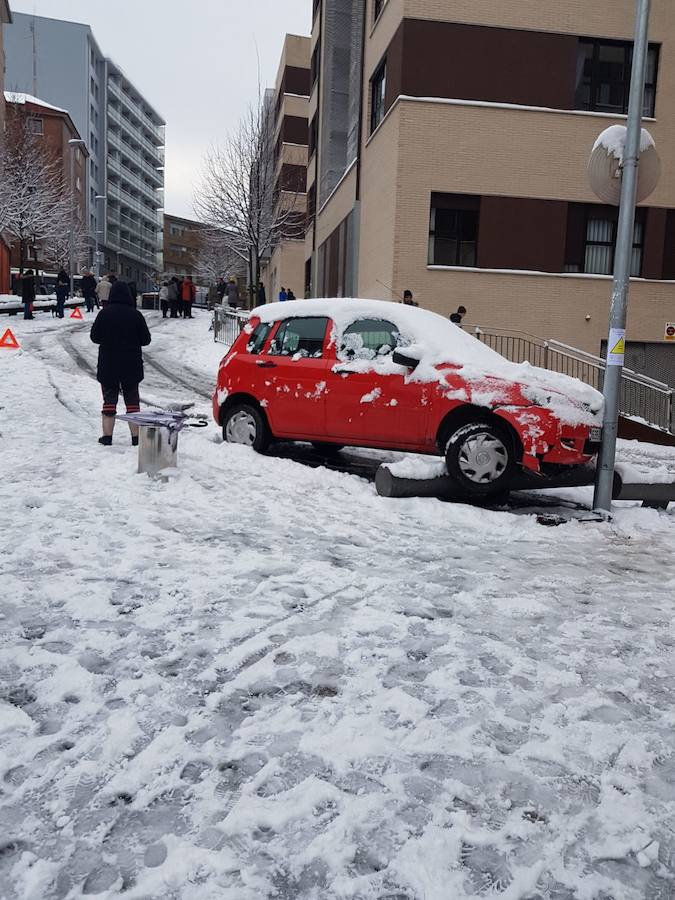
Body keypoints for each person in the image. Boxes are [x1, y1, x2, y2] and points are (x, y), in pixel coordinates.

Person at [90, 281, 151, 447]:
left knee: (109, 400)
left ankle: (107, 437)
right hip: (131, 365)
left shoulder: (104, 314)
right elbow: (146, 340)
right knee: (132, 401)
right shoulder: (136, 315)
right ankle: (136, 438)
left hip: (108, 364)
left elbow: (94, 337)